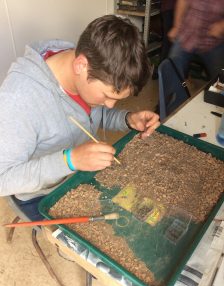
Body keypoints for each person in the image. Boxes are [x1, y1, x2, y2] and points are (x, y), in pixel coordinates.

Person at [0, 15, 160, 220]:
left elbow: (94, 116)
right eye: (107, 96)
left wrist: (127, 119)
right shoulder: (18, 99)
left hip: (73, 173)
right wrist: (70, 160)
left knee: (139, 209)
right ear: (80, 66)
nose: (110, 105)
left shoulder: (87, 66)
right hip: (38, 194)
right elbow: (3, 178)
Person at [168, 0, 224, 79]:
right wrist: (176, 26)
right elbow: (183, 1)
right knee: (173, 72)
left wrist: (222, 26)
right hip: (187, 36)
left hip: (213, 42)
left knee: (220, 81)